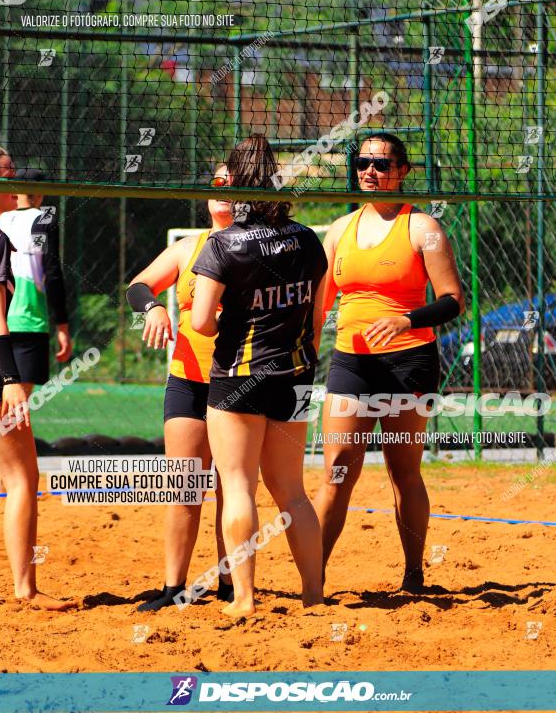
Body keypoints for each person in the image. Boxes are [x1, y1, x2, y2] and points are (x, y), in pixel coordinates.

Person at [313, 133, 465, 592]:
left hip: (408, 361)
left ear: (403, 171)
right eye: (363, 163)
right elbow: (320, 305)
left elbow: (454, 300)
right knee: (338, 466)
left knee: (404, 469)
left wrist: (406, 320)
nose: (370, 172)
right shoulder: (340, 230)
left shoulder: (423, 228)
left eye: (381, 165)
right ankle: (313, 576)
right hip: (351, 362)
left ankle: (414, 573)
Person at [191, 136, 327, 619]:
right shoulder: (308, 238)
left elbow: (201, 322)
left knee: (238, 486)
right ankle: (314, 594)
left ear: (233, 184)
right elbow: (317, 312)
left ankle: (245, 598)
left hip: (239, 376)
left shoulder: (223, 244)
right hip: (294, 372)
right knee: (292, 490)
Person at [126, 164, 234, 611]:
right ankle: (174, 588)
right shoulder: (190, 247)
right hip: (188, 378)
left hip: (239, 380)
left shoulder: (259, 247)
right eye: (217, 184)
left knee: (234, 488)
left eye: (234, 183)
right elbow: (138, 285)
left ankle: (232, 583)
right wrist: (152, 307)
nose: (223, 192)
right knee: (184, 485)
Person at [0, 146, 75, 609]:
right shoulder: (20, 228)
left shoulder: (4, 229)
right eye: (6, 173)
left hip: (13, 336)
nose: (15, 180)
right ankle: (26, 589)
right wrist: (8, 377)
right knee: (22, 476)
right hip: (10, 343)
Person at [0, 168, 72, 406]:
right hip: (29, 322)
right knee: (16, 410)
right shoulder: (43, 220)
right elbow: (52, 274)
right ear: (40, 193)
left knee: (0, 408)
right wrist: (62, 325)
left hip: (0, 320)